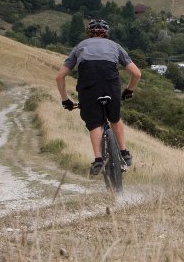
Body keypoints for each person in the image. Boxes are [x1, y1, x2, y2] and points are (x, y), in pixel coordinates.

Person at [56, 19, 141, 176]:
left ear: (88, 33)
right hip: (111, 84)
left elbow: (60, 77)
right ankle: (124, 153)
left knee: (95, 122)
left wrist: (65, 100)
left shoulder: (80, 47)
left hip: (88, 86)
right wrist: (129, 90)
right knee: (114, 118)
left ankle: (98, 160)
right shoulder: (115, 46)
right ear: (106, 34)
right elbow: (136, 73)